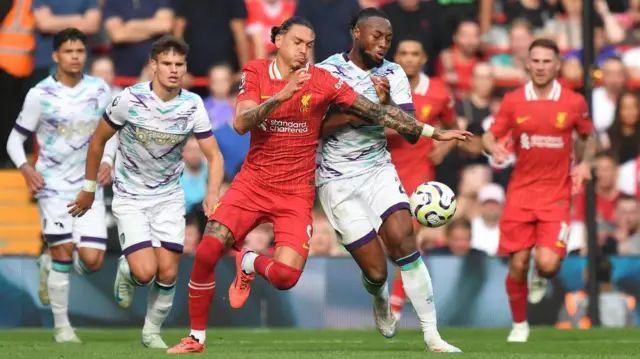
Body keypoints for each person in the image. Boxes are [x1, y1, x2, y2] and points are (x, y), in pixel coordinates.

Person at [167, 16, 471, 354]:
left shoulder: (325, 79)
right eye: (298, 42)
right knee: (209, 249)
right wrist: (281, 97)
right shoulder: (257, 70)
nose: (304, 50)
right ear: (278, 40)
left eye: (309, 45)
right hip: (269, 181)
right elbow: (241, 123)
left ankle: (432, 336)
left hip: (317, 186)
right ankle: (196, 338)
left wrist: (435, 132)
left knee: (299, 273)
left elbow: (379, 114)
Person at [316, 9, 460, 352]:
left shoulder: (393, 73)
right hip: (336, 180)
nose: (382, 44)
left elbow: (410, 133)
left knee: (404, 241)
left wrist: (388, 104)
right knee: (377, 272)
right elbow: (316, 126)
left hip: (378, 170)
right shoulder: (326, 72)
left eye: (388, 39)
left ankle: (432, 335)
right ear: (355, 32)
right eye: (375, 36)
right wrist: (362, 110)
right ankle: (379, 297)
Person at [67, 35, 225, 348]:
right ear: (153, 66)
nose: (173, 69)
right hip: (131, 196)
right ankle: (128, 268)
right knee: (145, 273)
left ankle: (151, 332)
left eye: (179, 64)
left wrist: (212, 194)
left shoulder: (192, 105)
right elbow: (98, 140)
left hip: (169, 197)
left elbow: (214, 155)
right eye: (167, 63)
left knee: (167, 274)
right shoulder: (129, 99)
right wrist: (88, 187)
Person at [482, 38, 595, 343]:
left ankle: (541, 278)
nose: (541, 67)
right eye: (537, 61)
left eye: (548, 61)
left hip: (556, 195)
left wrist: (585, 164)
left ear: (557, 65)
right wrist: (495, 149)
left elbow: (588, 136)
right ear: (527, 63)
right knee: (518, 263)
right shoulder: (513, 101)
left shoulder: (574, 102)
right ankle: (520, 325)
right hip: (520, 194)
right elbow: (489, 137)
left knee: (547, 264)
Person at [5, 28, 113, 343]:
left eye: (80, 51)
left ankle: (48, 263)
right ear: (56, 56)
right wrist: (25, 168)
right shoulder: (40, 94)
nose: (75, 56)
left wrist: (109, 160)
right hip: (52, 186)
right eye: (69, 51)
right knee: (64, 250)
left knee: (92, 261)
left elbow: (113, 131)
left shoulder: (99, 90)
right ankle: (63, 327)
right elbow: (15, 139)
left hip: (88, 185)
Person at [384, 35, 457, 322]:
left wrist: (444, 149)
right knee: (382, 244)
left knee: (407, 240)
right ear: (396, 58)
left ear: (424, 59)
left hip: (419, 180)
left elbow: (453, 125)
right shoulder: (381, 88)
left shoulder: (438, 91)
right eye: (404, 52)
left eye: (415, 53)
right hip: (382, 175)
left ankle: (396, 303)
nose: (410, 58)